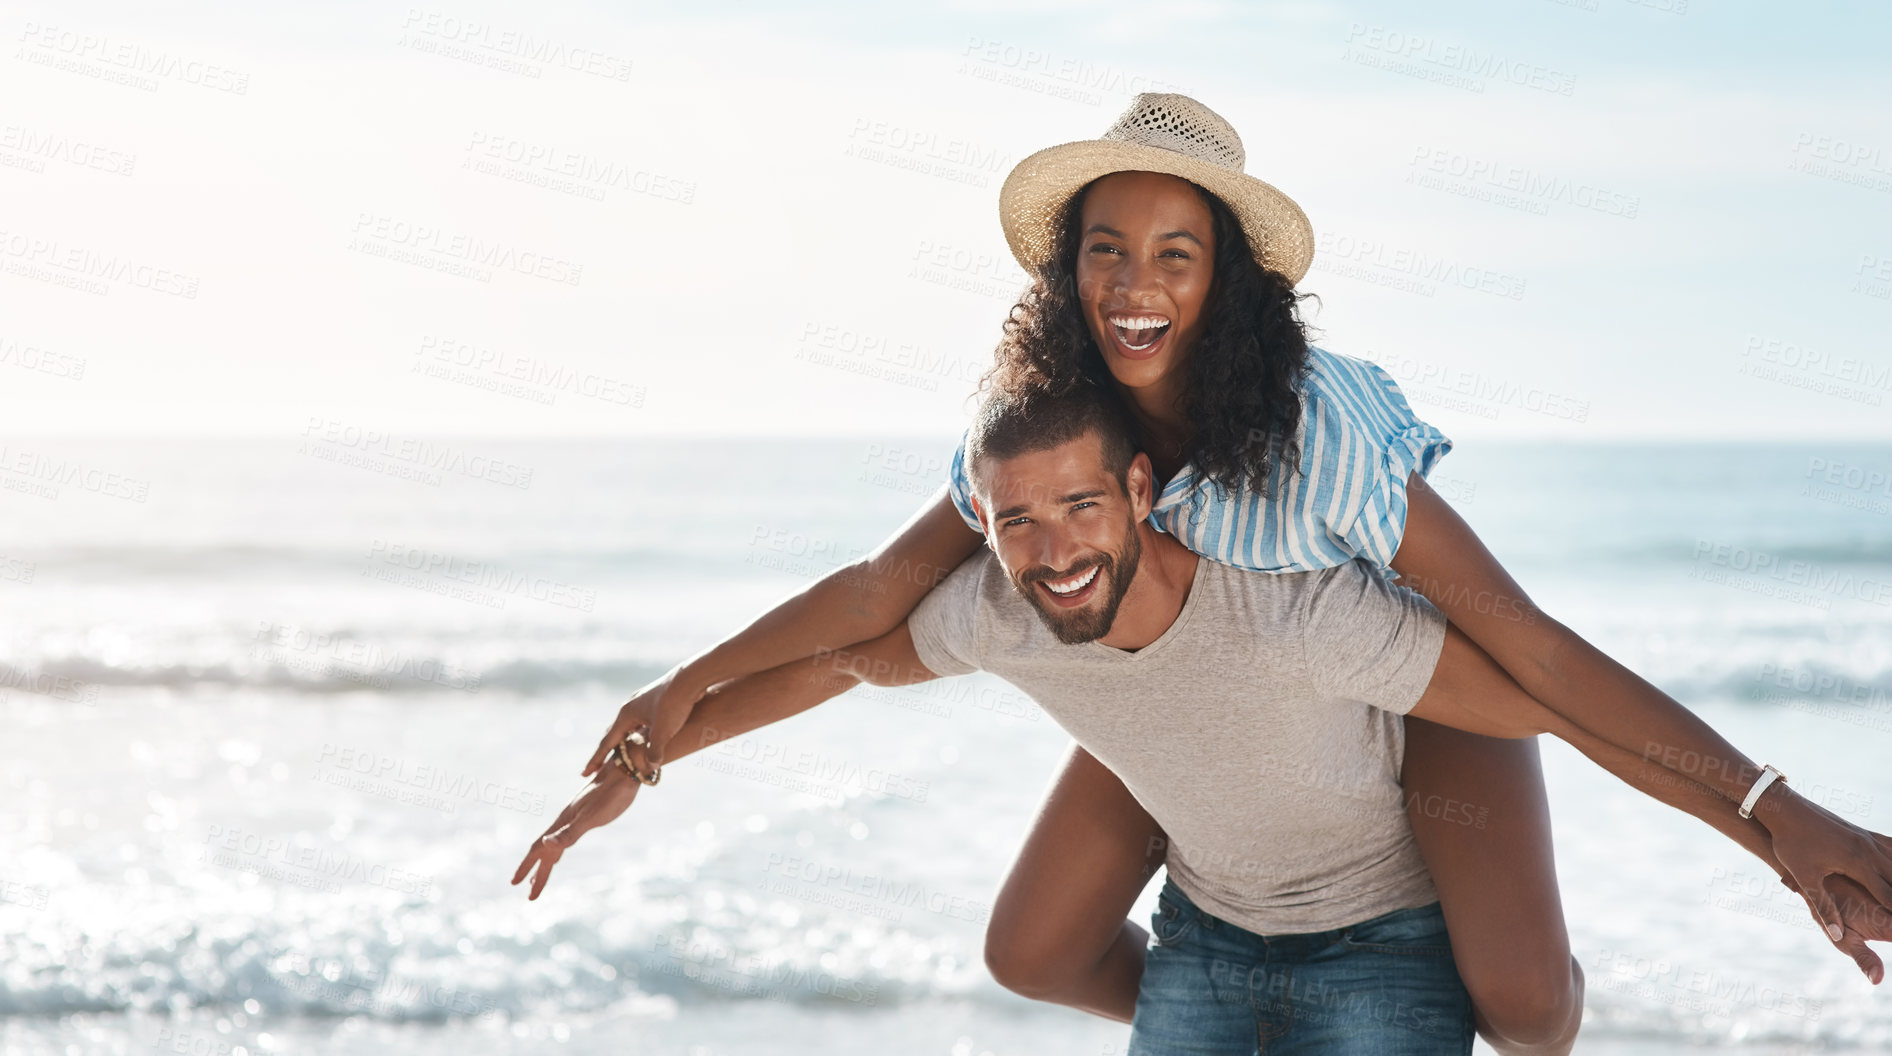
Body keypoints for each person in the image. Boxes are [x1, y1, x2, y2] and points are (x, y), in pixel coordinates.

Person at [516, 94, 1892, 1055]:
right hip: (1178, 679)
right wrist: (664, 718)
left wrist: (1783, 827)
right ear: (1069, 272)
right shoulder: (1046, 438)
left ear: (1225, 278)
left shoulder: (1317, 443)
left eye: (1175, 251)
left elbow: (1532, 656)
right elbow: (876, 604)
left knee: (1525, 1005)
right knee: (1033, 944)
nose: (1135, 281)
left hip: (1414, 691)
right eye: (1106, 248)